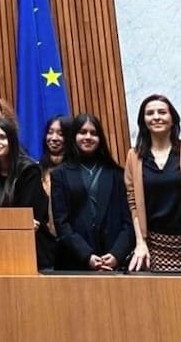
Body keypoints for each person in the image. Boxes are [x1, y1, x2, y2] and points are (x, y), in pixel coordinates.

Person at [51, 113, 134, 270]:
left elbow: (128, 221)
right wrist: (86, 255)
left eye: (93, 133)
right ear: (74, 136)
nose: (88, 137)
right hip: (74, 261)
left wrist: (117, 254)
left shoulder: (117, 174)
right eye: (82, 132)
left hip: (112, 259)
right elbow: (62, 223)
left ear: (100, 139)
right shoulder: (60, 174)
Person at [0, 118, 55, 269]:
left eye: (2, 137)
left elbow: (28, 218)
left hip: (32, 250)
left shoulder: (29, 170)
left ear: (12, 140)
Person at [125, 94, 181, 272]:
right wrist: (140, 243)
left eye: (162, 112)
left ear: (172, 119)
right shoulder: (134, 157)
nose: (156, 117)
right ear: (144, 121)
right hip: (154, 247)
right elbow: (133, 202)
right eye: (150, 113)